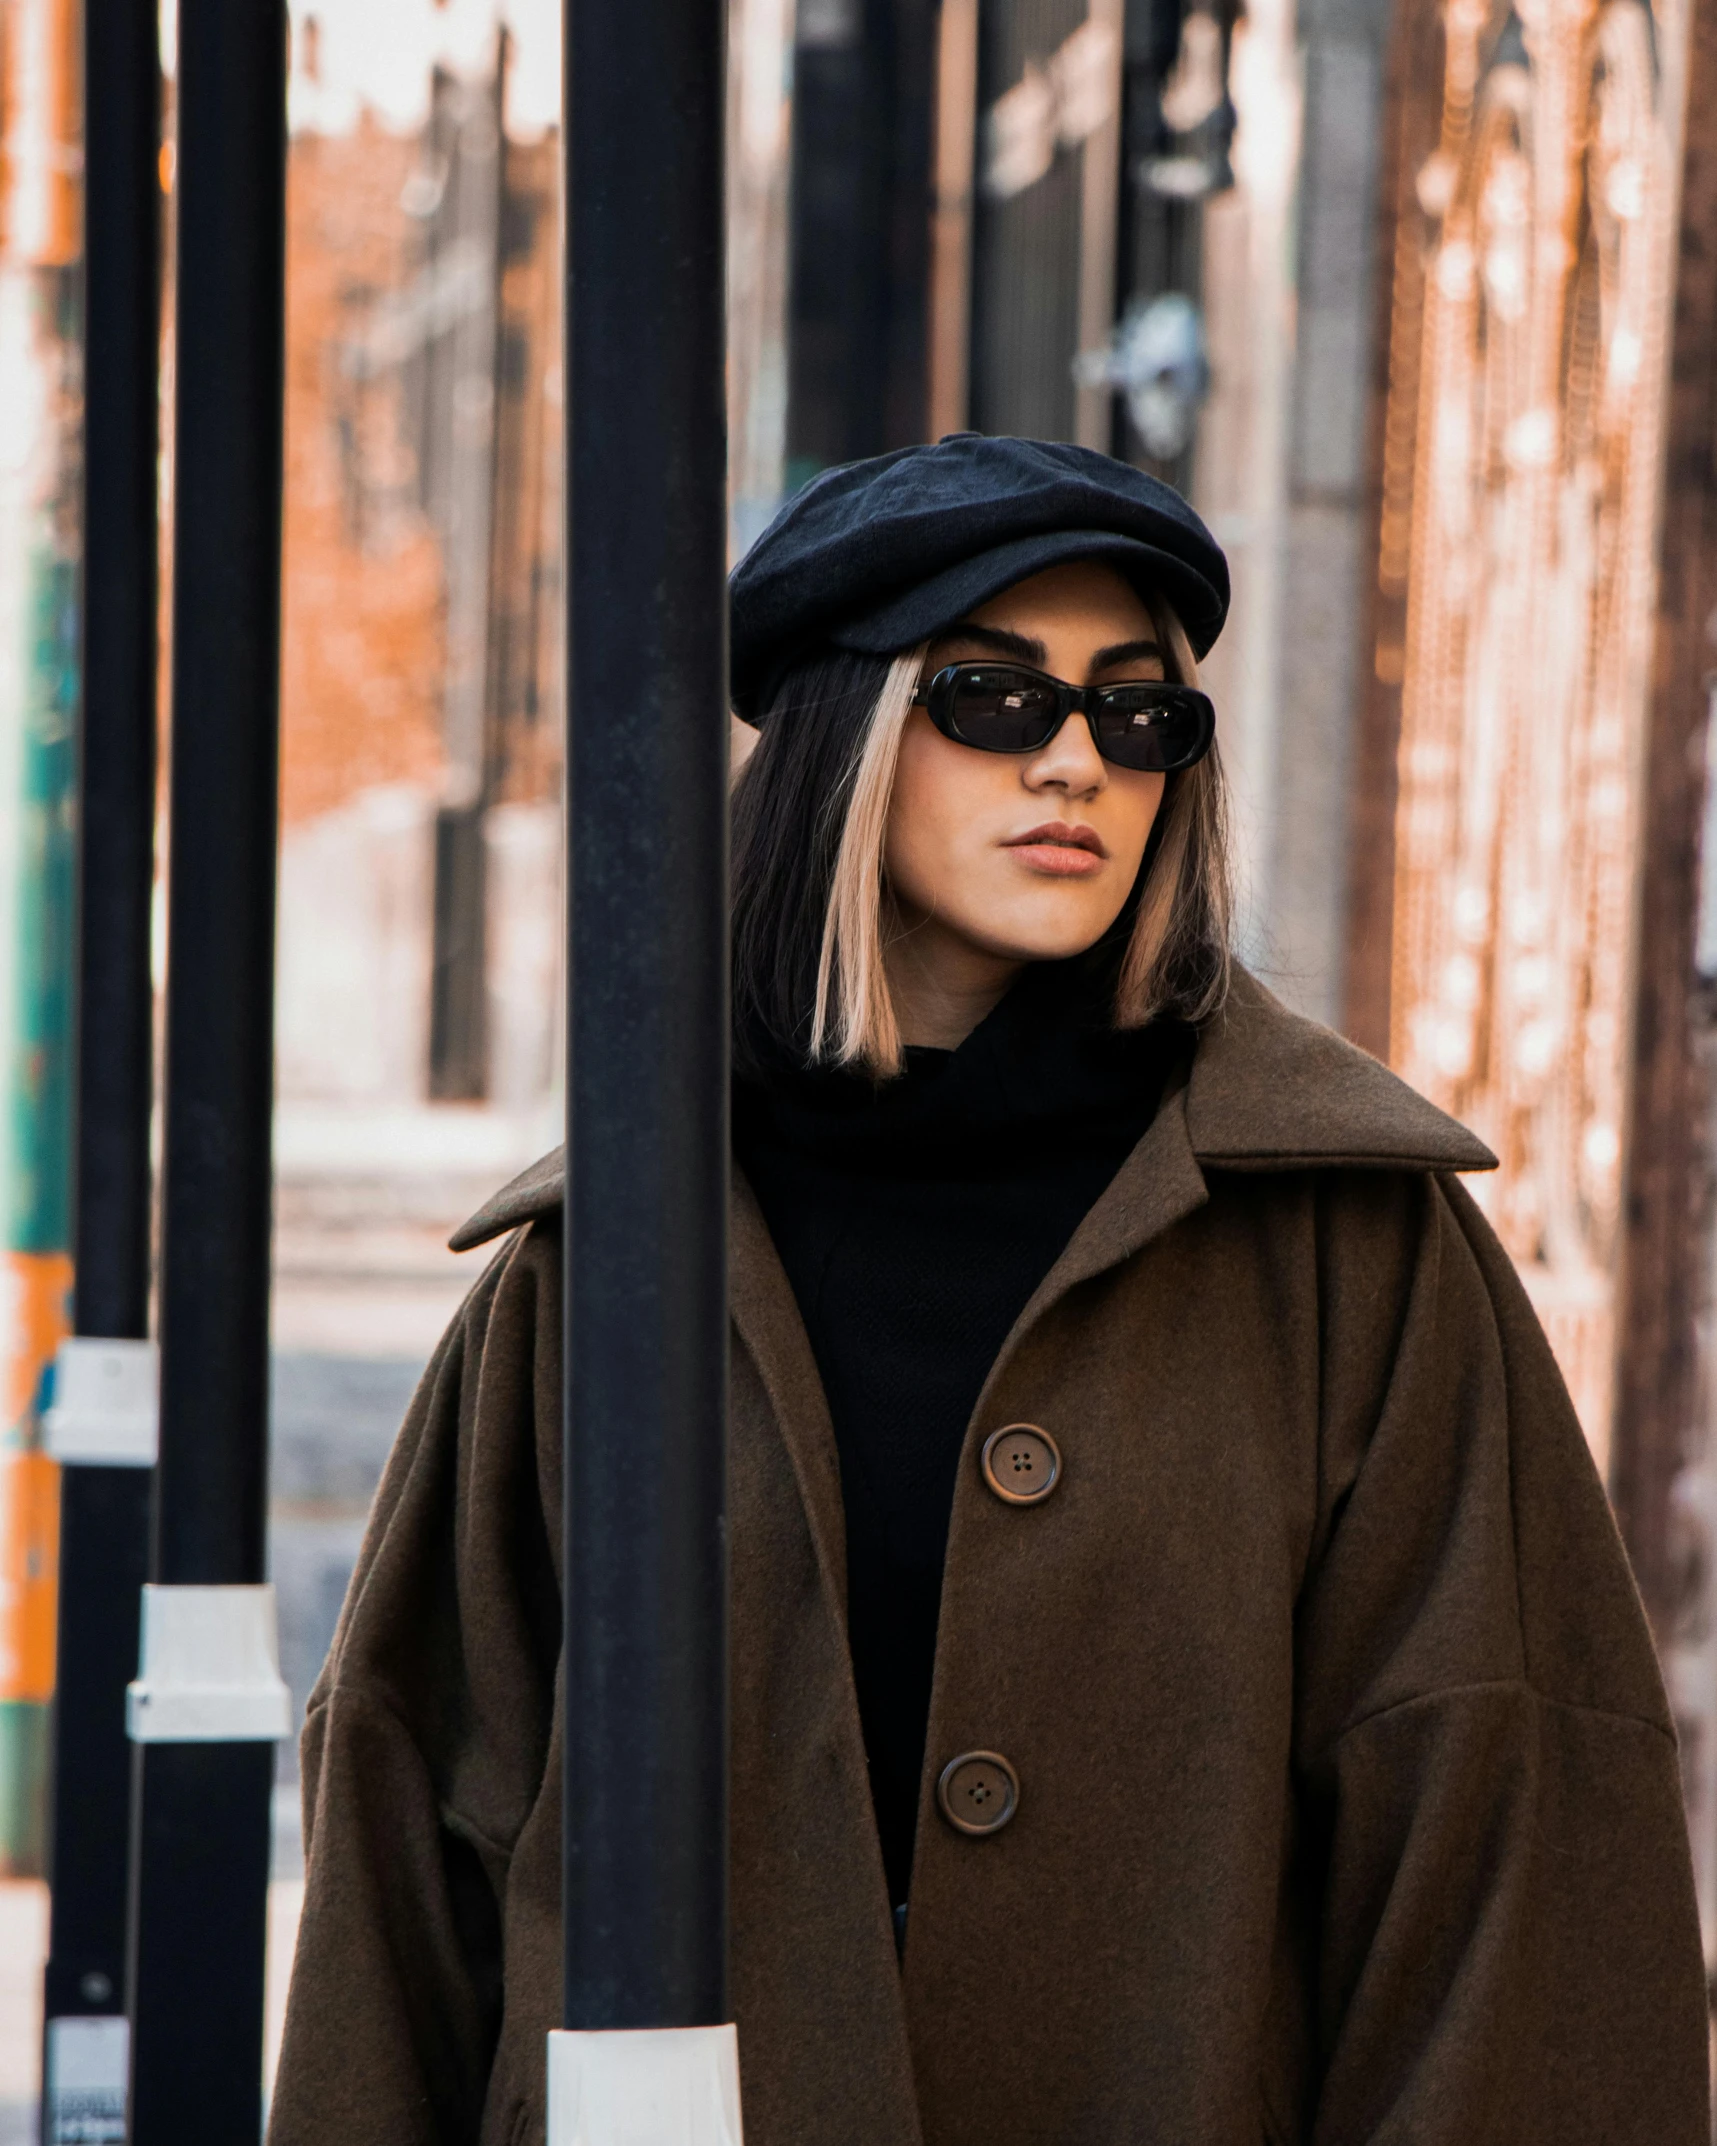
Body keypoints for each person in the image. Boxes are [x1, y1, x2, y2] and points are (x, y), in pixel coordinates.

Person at [268, 435, 1709, 2146]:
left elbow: (1512, 1848)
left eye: (1138, 713)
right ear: (843, 741)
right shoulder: (610, 1262)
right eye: (998, 700)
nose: (1083, 762)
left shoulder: (1350, 1252)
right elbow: (413, 1839)